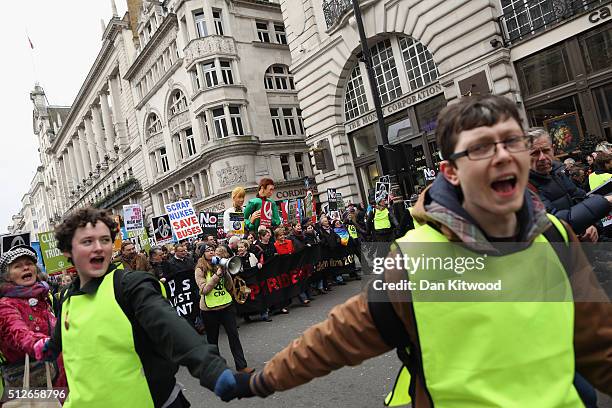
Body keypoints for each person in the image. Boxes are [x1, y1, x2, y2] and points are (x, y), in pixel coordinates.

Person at [215, 95, 612, 406]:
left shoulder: (554, 234)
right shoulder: (414, 260)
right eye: (480, 148)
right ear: (450, 172)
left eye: (512, 142)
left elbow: (599, 344)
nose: (503, 155)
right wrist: (259, 381)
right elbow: (334, 339)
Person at [40, 207, 247, 407]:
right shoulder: (66, 297)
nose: (98, 247)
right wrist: (45, 349)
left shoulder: (131, 285)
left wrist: (212, 368)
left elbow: (172, 328)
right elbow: (61, 340)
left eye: (105, 240)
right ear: (68, 250)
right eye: (87, 241)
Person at [0, 246, 67, 398]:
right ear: (8, 276)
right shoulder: (5, 305)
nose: (26, 268)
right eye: (18, 266)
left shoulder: (43, 297)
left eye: (29, 263)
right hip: (32, 387)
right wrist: (43, 345)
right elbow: (18, 333)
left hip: (59, 380)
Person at [528, 128, 612, 241]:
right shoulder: (526, 187)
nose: (542, 157)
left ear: (552, 149)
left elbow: (582, 198)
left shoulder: (559, 174)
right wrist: (604, 201)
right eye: (535, 153)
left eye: (546, 150)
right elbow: (556, 223)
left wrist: (593, 226)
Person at [194, 245, 254, 374]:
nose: (211, 252)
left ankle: (241, 365)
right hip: (209, 310)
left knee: (234, 336)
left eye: (212, 250)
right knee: (212, 340)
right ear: (202, 254)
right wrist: (216, 276)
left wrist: (225, 272)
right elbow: (204, 290)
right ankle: (217, 368)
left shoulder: (219, 264)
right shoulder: (200, 269)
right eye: (207, 251)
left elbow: (229, 286)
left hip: (226, 306)